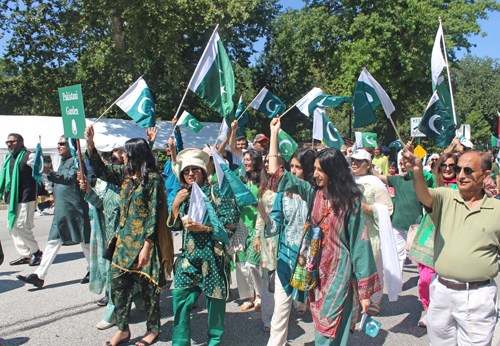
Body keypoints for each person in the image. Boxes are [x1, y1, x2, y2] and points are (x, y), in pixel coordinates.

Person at [281, 147, 381, 345]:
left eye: (320, 170)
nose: (315, 174)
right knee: (321, 322)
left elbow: (359, 244)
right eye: (315, 169)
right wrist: (275, 133)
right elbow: (280, 176)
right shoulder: (312, 193)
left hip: (339, 273)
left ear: (333, 171)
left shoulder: (350, 202)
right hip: (316, 271)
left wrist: (364, 292)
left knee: (330, 325)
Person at [85, 125, 173, 346]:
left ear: (135, 156)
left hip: (144, 245)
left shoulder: (153, 180)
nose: (121, 156)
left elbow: (154, 215)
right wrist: (89, 144)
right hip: (122, 245)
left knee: (149, 292)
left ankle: (153, 330)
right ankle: (123, 330)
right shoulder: (124, 176)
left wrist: (147, 245)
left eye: (125, 153)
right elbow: (100, 169)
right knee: (118, 290)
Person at [403, 148, 500, 345]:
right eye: (458, 169)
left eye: (468, 171)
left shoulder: (497, 211)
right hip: (441, 291)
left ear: (486, 175)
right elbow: (424, 194)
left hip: (478, 295)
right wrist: (417, 171)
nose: (461, 175)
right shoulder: (446, 197)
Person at [168, 148, 239, 346]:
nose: (190, 173)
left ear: (203, 171)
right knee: (180, 296)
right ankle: (180, 342)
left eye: (194, 169)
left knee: (215, 302)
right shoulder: (184, 194)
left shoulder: (217, 191)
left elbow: (231, 222)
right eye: (186, 171)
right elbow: (176, 226)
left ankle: (215, 341)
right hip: (189, 258)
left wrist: (206, 228)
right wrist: (175, 205)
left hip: (213, 256)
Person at [258, 117, 315, 345]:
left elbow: (275, 170)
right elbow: (275, 225)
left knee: (307, 304)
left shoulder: (313, 193)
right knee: (281, 311)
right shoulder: (283, 195)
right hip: (285, 259)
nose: (293, 171)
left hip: (310, 261)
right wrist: (262, 215)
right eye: (291, 166)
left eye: (298, 167)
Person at [17, 136, 91, 288]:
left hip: (74, 210)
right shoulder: (64, 162)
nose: (58, 146)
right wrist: (54, 199)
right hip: (62, 210)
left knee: (85, 242)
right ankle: (39, 275)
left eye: (62, 144)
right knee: (52, 242)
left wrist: (49, 172)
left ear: (71, 146)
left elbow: (70, 180)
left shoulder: (76, 161)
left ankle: (94, 269)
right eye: (58, 144)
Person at [408, 152, 458, 328]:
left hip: (451, 236)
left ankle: (446, 313)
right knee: (425, 279)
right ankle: (429, 310)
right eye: (443, 165)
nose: (447, 168)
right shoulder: (432, 181)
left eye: (451, 165)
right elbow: (419, 176)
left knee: (448, 280)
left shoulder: (462, 186)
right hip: (428, 236)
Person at [348, 149, 396, 316]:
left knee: (373, 267)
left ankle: (375, 300)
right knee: (352, 269)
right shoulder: (346, 181)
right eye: (352, 159)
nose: (354, 163)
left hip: (370, 233)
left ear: (368, 164)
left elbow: (388, 208)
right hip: (351, 233)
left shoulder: (376, 184)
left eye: (359, 161)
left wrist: (368, 208)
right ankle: (356, 299)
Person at [373, 154, 434, 273]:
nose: (403, 166)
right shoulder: (397, 180)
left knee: (419, 257)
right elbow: (379, 176)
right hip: (398, 225)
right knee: (398, 255)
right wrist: (367, 162)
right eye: (401, 164)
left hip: (416, 226)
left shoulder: (421, 182)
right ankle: (397, 284)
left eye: (406, 164)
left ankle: (423, 281)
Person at [0, 133, 43, 266]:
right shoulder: (10, 158)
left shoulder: (29, 156)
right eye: (7, 142)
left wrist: (48, 190)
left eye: (12, 142)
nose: (9, 145)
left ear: (20, 142)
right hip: (13, 197)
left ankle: (36, 252)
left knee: (21, 226)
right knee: (12, 226)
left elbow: (40, 173)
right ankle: (25, 254)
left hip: (26, 196)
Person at [235, 148, 264, 312]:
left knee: (252, 264)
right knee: (240, 264)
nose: (246, 162)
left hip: (255, 228)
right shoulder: (242, 180)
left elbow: (262, 208)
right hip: (240, 227)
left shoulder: (261, 183)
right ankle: (248, 296)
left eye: (249, 159)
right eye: (244, 159)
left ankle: (260, 296)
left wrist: (259, 233)